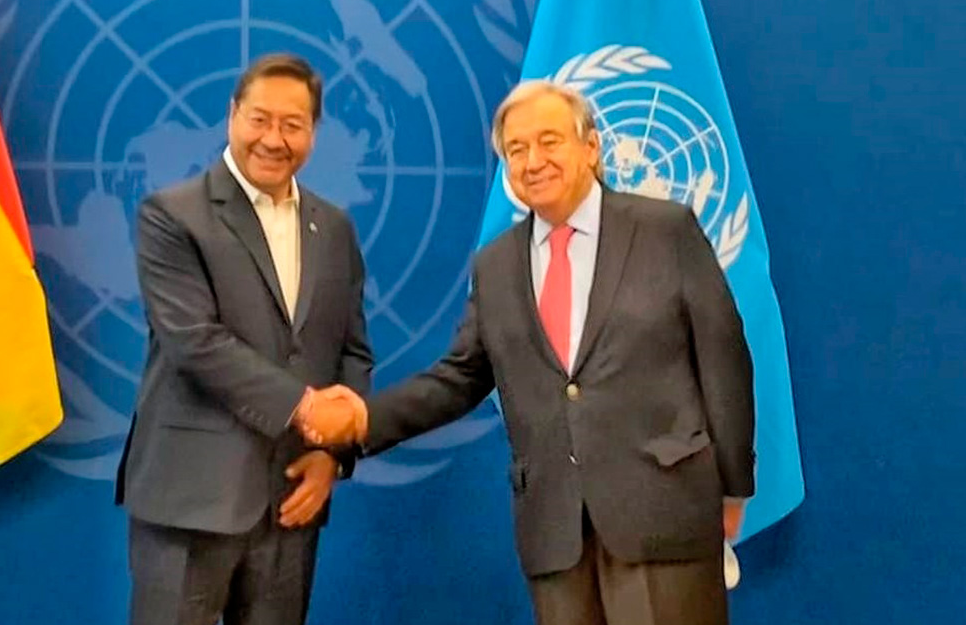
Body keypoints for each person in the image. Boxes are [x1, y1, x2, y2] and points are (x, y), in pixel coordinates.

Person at [302, 80, 755, 625]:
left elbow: (724, 355)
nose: (532, 160)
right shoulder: (495, 265)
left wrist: (732, 486)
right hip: (555, 532)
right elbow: (460, 377)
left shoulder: (664, 230)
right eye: (516, 150)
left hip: (664, 512)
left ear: (591, 148)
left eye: (549, 141)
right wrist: (360, 420)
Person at [115, 52, 373, 625]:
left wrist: (330, 452)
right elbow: (194, 342)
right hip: (189, 499)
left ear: (313, 131)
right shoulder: (172, 215)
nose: (273, 139)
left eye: (292, 124)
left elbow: (351, 349)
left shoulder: (333, 228)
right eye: (260, 118)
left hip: (291, 503)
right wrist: (307, 408)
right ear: (232, 115)